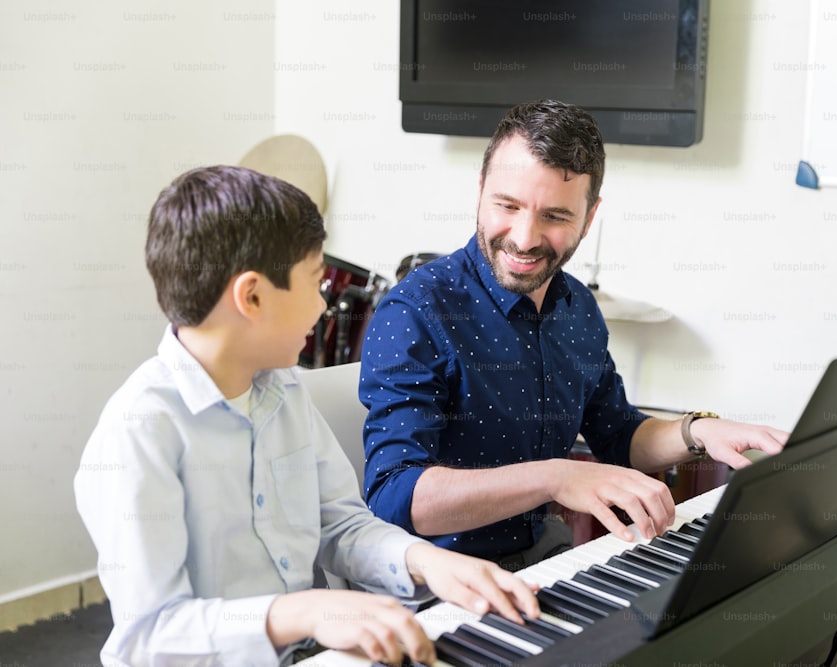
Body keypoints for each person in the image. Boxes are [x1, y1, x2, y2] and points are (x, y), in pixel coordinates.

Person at [73, 165, 538, 667]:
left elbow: (341, 526)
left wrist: (428, 561)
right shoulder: (141, 430)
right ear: (251, 296)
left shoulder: (285, 391)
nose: (322, 307)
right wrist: (305, 611)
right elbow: (152, 635)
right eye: (315, 283)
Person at [359, 100, 788, 569]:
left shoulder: (577, 306)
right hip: (438, 581)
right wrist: (555, 479)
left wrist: (698, 430)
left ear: (589, 214)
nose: (524, 238)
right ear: (479, 190)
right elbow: (394, 495)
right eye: (507, 205)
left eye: (555, 217)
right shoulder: (416, 310)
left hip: (542, 562)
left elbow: (619, 435)